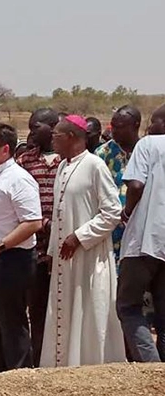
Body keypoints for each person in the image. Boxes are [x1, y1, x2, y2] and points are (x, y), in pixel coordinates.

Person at [41, 115, 125, 367]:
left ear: (71, 137)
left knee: (87, 312)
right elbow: (58, 215)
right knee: (63, 313)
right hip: (64, 260)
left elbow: (112, 212)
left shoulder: (94, 165)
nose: (52, 139)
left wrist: (79, 236)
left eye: (56, 135)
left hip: (89, 257)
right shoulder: (63, 167)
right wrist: (52, 251)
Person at [0, 121, 42, 373]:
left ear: (5, 149)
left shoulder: (18, 179)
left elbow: (33, 222)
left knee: (11, 321)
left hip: (12, 258)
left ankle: (19, 376)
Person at [117, 104, 165, 362]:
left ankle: (151, 367)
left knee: (128, 306)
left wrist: (127, 211)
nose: (149, 127)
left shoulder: (149, 144)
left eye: (154, 122)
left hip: (145, 238)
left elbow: (135, 184)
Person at [16, 108, 61, 367]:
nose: (31, 132)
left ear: (54, 127)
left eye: (36, 127)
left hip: (64, 245)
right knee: (37, 307)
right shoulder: (25, 162)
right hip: (34, 245)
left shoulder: (69, 160)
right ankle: (39, 361)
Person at [95, 105, 141, 267]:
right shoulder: (102, 154)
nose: (114, 131)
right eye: (113, 126)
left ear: (135, 125)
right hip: (110, 230)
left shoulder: (147, 153)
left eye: (120, 127)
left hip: (140, 229)